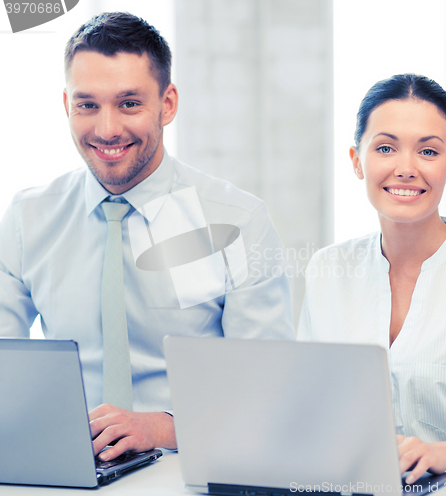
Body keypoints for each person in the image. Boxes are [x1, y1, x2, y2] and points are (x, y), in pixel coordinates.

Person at [0, 12, 294, 460]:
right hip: (66, 473)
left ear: (168, 104)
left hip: (193, 467)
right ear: (66, 105)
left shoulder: (236, 222)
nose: (107, 129)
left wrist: (161, 428)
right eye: (88, 105)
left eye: (129, 103)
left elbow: (268, 394)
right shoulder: (29, 218)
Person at [298, 74, 446, 483]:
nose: (406, 169)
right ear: (357, 160)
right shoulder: (327, 270)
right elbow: (309, 412)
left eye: (428, 151)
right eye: (386, 148)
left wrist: (438, 453)